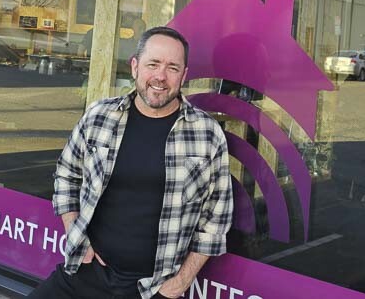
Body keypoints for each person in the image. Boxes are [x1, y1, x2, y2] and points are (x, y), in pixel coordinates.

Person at [29, 26, 233, 299]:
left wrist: (178, 284)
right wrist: (75, 233)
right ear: (135, 67)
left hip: (152, 289)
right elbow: (67, 174)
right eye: (153, 64)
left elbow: (216, 219)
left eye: (172, 68)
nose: (160, 76)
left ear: (184, 75)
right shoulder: (99, 116)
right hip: (85, 273)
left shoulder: (206, 134)